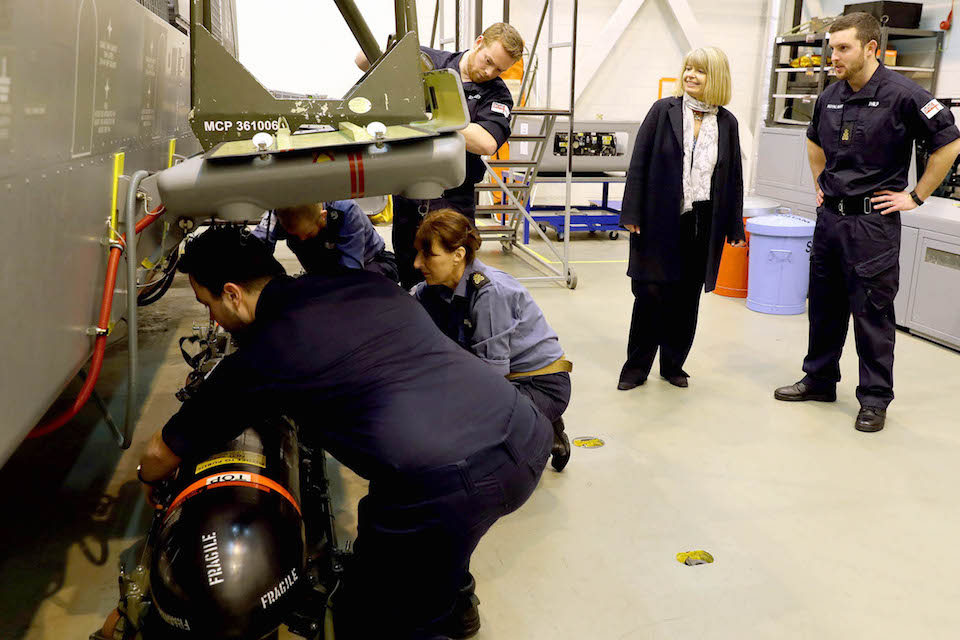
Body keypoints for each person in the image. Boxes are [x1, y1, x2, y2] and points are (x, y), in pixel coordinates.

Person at [137, 225, 552, 639]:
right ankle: (458, 605)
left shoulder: (265, 355)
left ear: (232, 293)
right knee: (422, 537)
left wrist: (147, 480)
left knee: (375, 613)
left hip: (448, 481)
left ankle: (434, 617)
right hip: (524, 429)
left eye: (207, 304)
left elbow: (160, 453)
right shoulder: (363, 284)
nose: (212, 319)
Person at [774, 13, 960, 432]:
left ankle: (874, 399)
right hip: (830, 222)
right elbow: (813, 139)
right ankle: (819, 379)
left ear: (871, 48)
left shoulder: (905, 95)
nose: (833, 57)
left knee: (872, 314)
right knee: (823, 306)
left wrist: (916, 195)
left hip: (872, 226)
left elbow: (950, 143)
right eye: (831, 47)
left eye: (843, 48)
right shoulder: (830, 96)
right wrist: (819, 182)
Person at [617, 46, 746, 391]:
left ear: (715, 78)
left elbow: (732, 176)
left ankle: (673, 364)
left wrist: (734, 225)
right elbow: (639, 162)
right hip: (659, 215)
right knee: (651, 293)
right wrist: (630, 211)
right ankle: (636, 367)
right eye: (688, 68)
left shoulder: (727, 123)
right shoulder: (664, 111)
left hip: (703, 221)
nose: (690, 75)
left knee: (687, 297)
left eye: (700, 71)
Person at [357, 23, 523, 289]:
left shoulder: (496, 93)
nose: (489, 72)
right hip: (409, 192)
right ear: (479, 42)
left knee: (454, 280)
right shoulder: (428, 61)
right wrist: (393, 47)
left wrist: (432, 119)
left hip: (453, 198)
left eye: (499, 69)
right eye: (488, 61)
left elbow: (487, 142)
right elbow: (362, 61)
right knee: (411, 270)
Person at [411, 209, 572, 472]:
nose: (418, 263)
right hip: (511, 379)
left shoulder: (490, 295)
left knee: (464, 425)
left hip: (542, 384)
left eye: (428, 255)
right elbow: (405, 307)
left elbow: (491, 383)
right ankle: (536, 422)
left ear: (458, 255)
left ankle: (540, 432)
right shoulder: (438, 286)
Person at [252, 199, 399, 283]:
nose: (302, 239)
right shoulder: (278, 214)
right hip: (322, 273)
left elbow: (350, 275)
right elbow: (256, 249)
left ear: (323, 216)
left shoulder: (346, 212)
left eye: (308, 233)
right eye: (294, 235)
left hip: (371, 264)